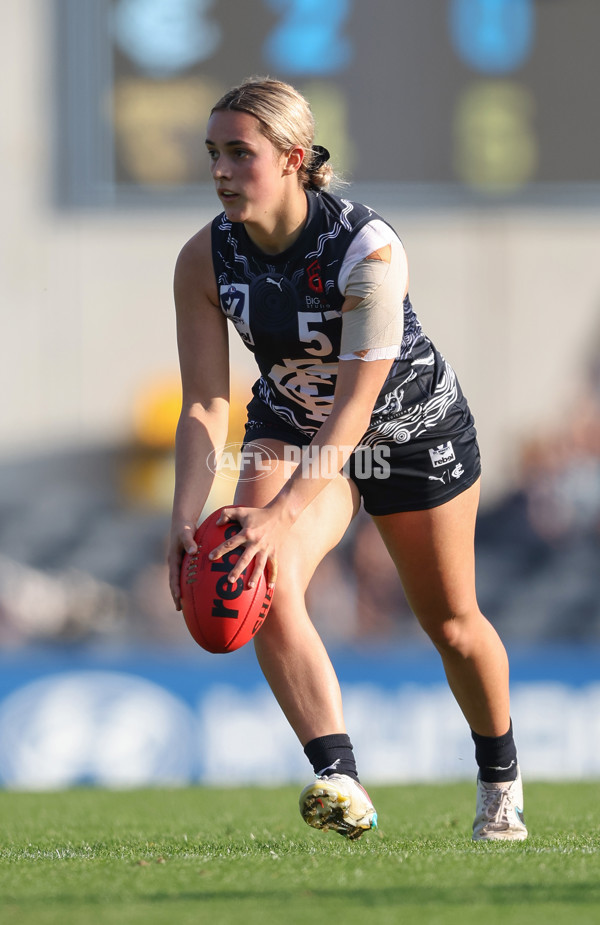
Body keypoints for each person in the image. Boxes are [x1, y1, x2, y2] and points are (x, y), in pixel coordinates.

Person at [167, 77, 527, 843]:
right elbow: (205, 403)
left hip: (410, 432)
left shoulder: (367, 249)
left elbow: (357, 410)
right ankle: (340, 777)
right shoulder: (204, 258)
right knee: (255, 570)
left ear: (295, 158)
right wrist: (184, 516)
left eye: (241, 153)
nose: (222, 170)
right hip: (293, 421)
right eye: (213, 154)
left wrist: (280, 512)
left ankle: (500, 776)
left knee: (453, 624)